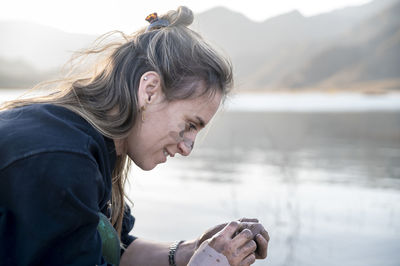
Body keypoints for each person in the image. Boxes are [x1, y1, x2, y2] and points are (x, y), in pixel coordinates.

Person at [0, 6, 269, 266]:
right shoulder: (60, 158)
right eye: (190, 124)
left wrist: (194, 250)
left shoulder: (92, 146)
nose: (188, 147)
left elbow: (118, 250)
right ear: (150, 90)